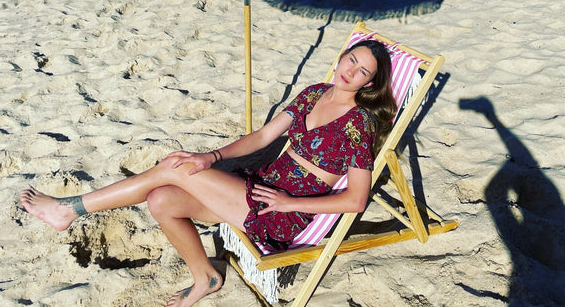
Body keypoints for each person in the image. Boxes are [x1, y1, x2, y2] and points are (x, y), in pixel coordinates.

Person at [21, 39, 397, 307]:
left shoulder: (359, 124)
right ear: (342, 57)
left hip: (283, 213)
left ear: (369, 83)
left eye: (363, 71)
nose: (351, 71)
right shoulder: (314, 93)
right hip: (260, 187)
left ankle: (71, 209)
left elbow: (356, 199)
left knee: (176, 168)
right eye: (351, 59)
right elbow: (264, 135)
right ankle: (207, 278)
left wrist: (288, 202)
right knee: (162, 199)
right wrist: (211, 155)